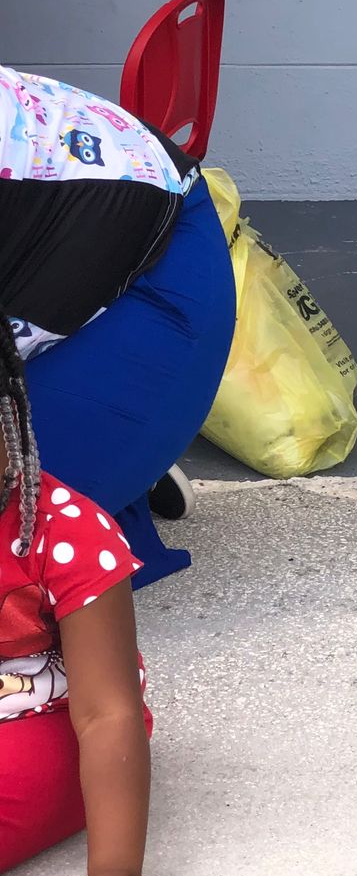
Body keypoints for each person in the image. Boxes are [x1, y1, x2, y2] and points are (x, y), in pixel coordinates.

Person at [1, 65, 237, 585]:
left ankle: (118, 449)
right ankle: (115, 455)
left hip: (152, 260)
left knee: (22, 561)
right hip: (83, 221)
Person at [0, 306, 169, 876]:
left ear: (10, 420)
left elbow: (108, 715)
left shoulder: (65, 531)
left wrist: (115, 874)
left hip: (51, 718)